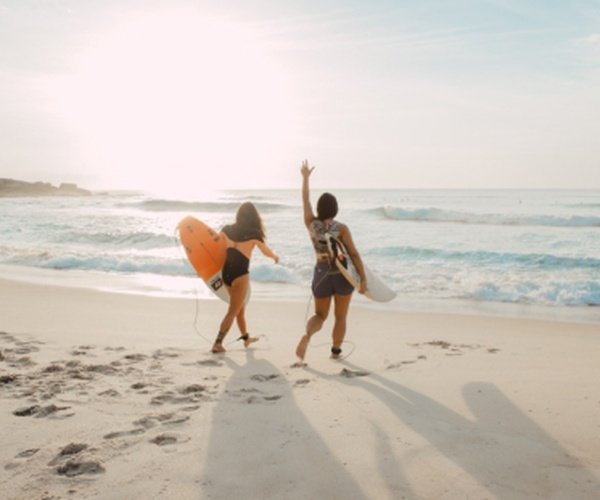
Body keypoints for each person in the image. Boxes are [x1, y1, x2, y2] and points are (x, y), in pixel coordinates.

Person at [295, 160, 367, 361]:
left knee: (320, 316)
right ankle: (336, 351)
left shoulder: (311, 224)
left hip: (321, 273)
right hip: (341, 274)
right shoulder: (341, 228)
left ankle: (307, 335)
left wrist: (306, 178)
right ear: (335, 209)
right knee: (341, 316)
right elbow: (353, 254)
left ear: (319, 208)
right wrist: (363, 279)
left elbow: (305, 200)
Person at [211, 202, 279, 354]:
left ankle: (246, 338)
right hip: (240, 275)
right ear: (254, 216)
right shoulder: (254, 233)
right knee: (233, 310)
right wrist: (275, 257)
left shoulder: (226, 229)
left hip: (226, 274)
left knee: (239, 309)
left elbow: (215, 244)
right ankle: (218, 342)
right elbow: (266, 251)